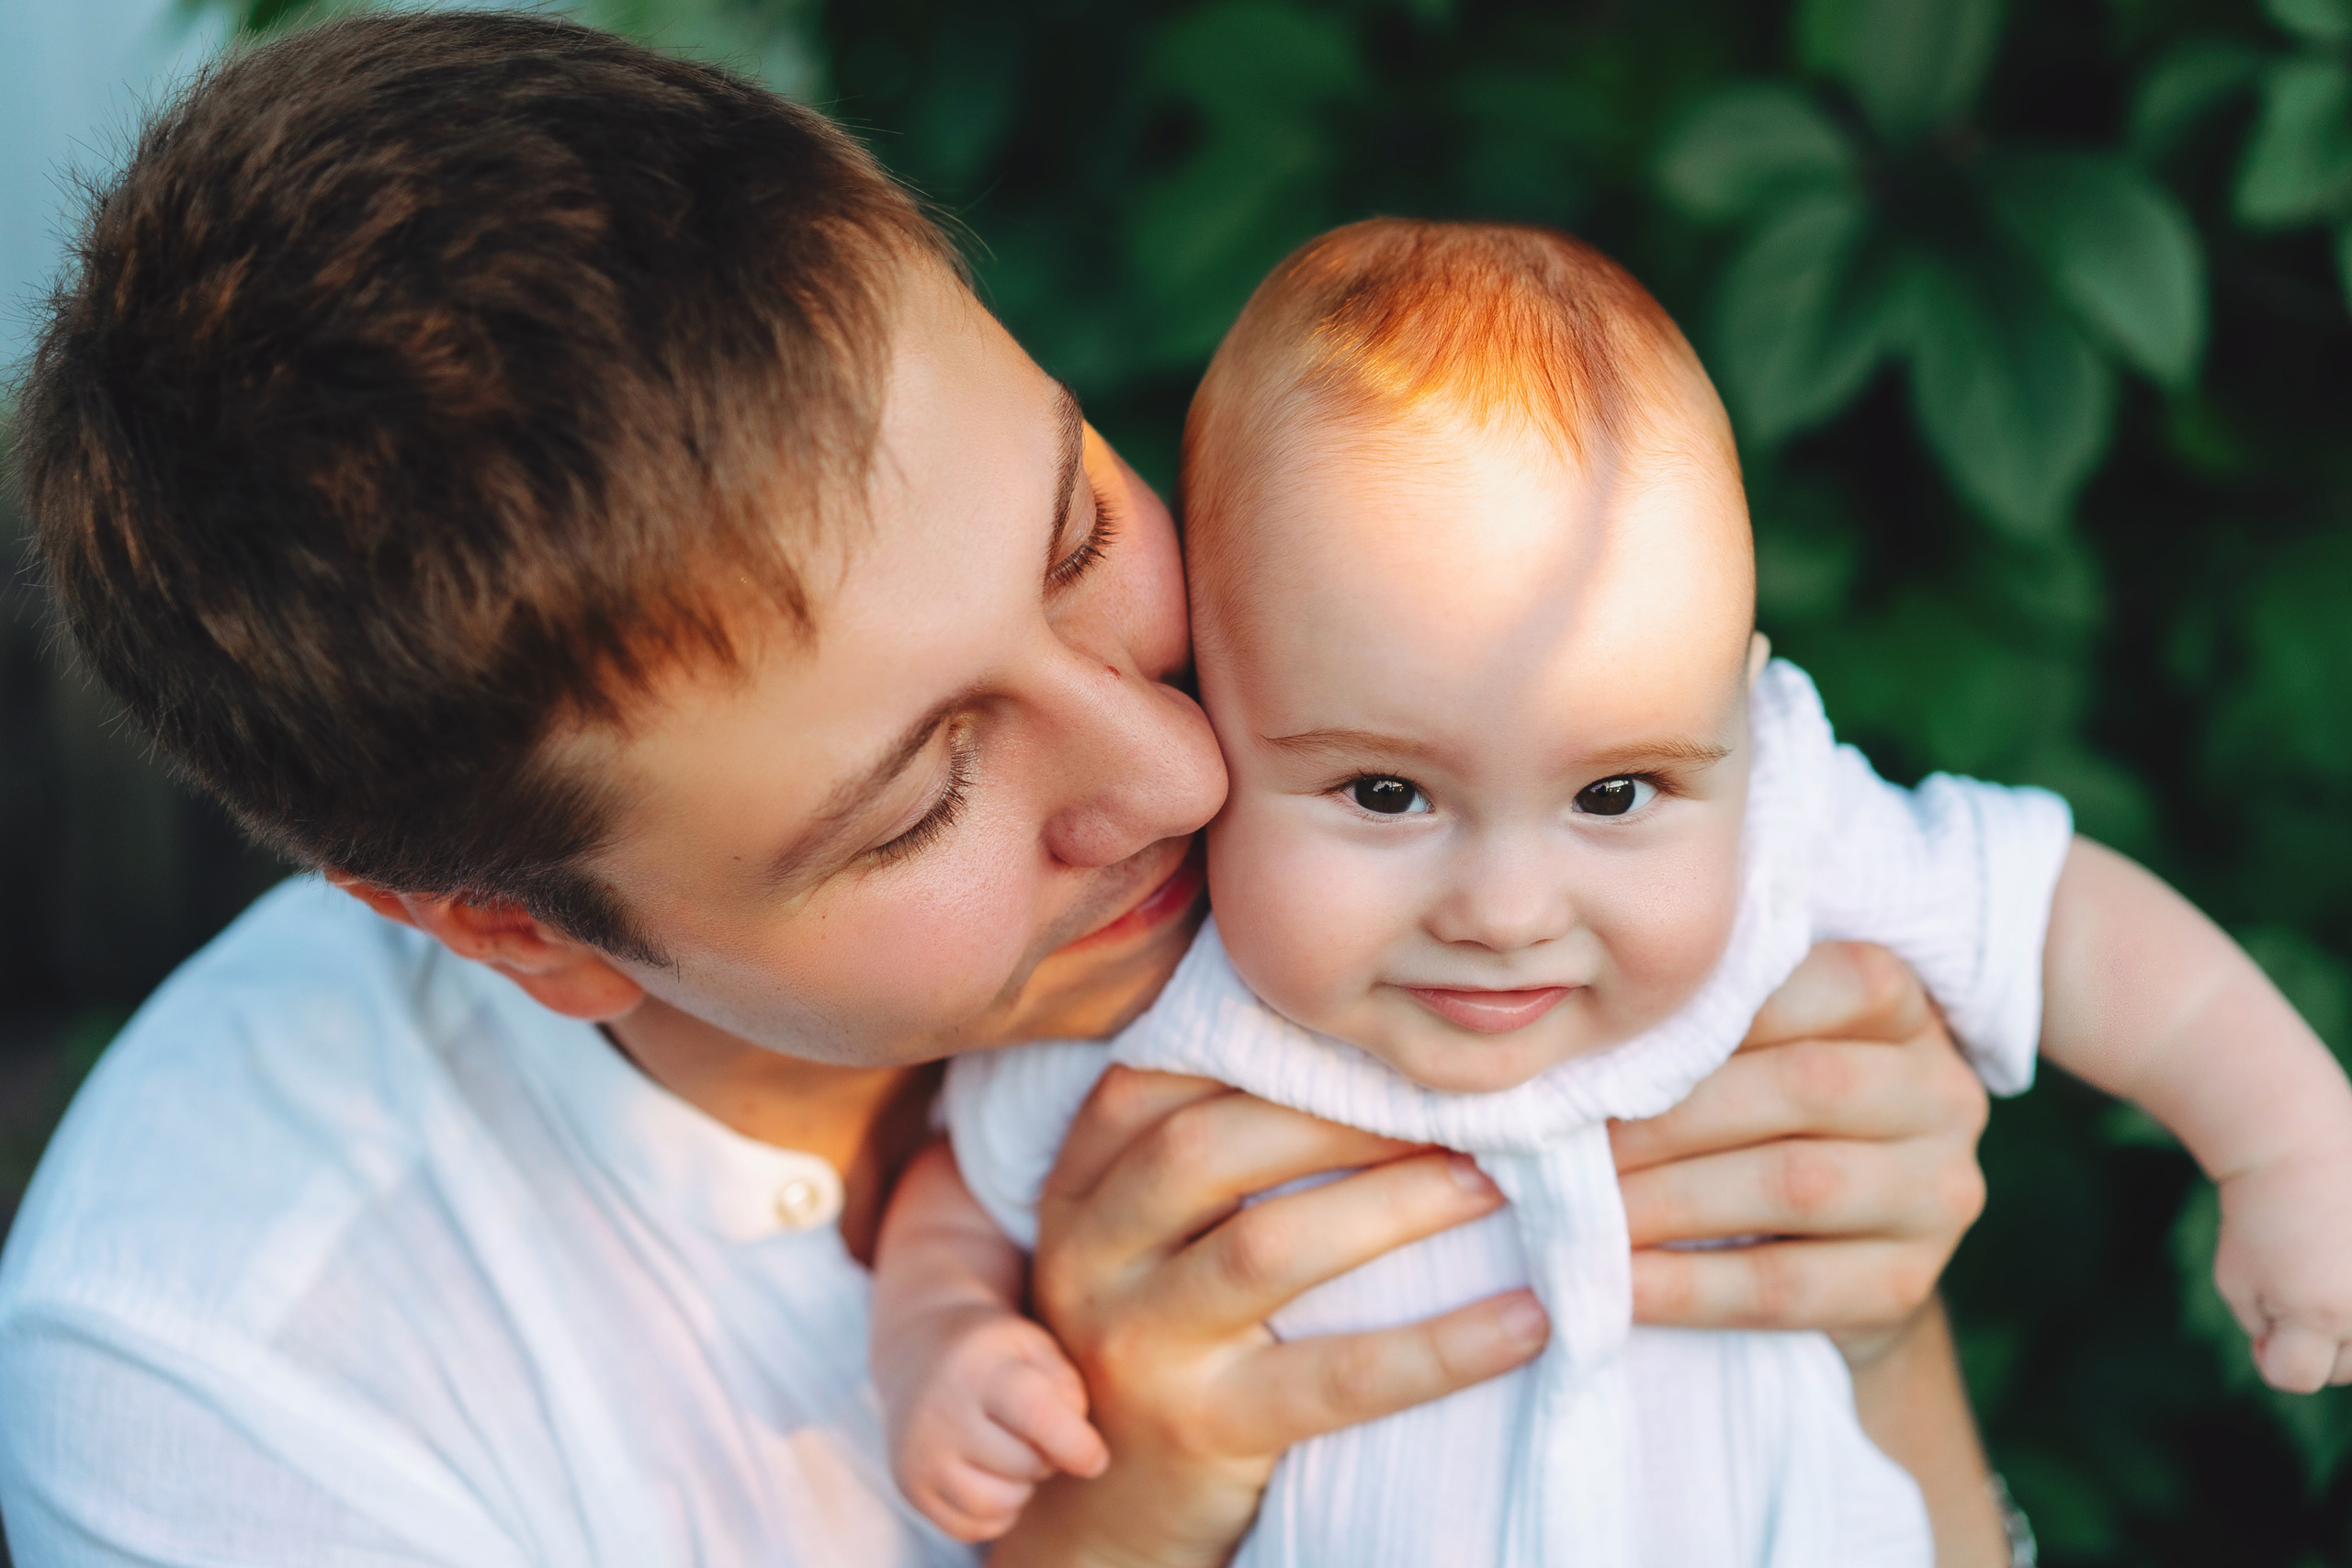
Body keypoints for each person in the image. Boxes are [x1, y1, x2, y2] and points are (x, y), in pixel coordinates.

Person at [3, 16, 2007, 1566]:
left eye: (1071, 533)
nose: (1172, 762)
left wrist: (1849, 1314)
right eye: (913, 797)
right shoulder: (234, 1394)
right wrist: (1102, 1534)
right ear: (516, 930)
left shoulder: (1421, 784)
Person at [875, 220, 2352, 1564]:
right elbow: (964, 1192)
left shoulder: (1786, 845)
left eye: (1615, 795)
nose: (1508, 910)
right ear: (1223, 728)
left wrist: (2287, 1143)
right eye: (1387, 795)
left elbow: (2055, 914)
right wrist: (949, 1343)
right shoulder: (1174, 1002)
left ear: (1740, 713)